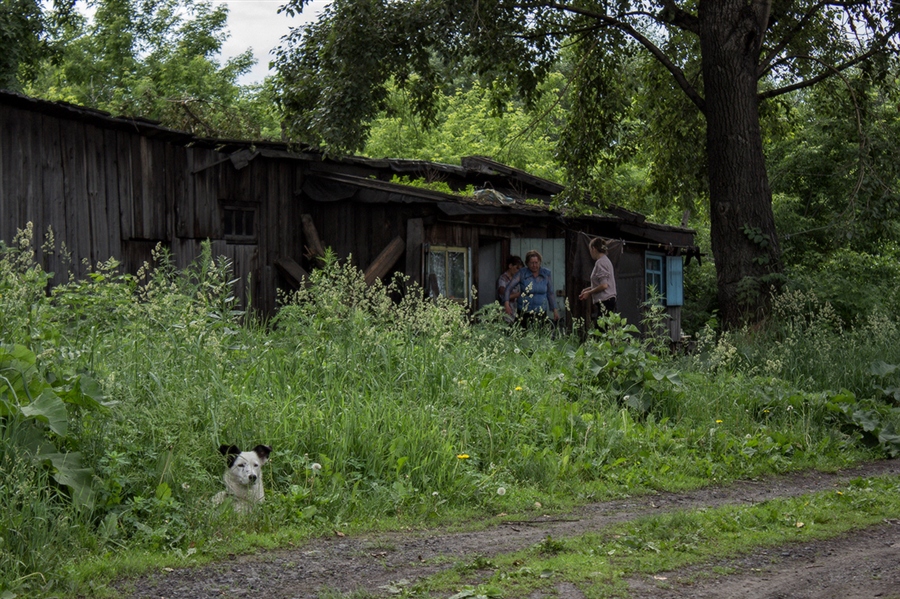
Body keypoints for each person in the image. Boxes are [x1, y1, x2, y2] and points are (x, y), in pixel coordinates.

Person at [503, 249, 559, 327]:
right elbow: (508, 288)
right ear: (527, 263)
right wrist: (506, 304)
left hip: (540, 312)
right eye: (532, 263)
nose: (534, 265)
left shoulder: (546, 274)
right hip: (524, 312)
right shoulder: (522, 273)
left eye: (536, 263)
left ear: (540, 262)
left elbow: (550, 293)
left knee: (539, 336)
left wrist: (555, 311)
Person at [579, 237, 617, 324]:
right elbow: (603, 283)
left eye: (590, 250)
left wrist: (589, 293)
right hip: (608, 300)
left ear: (593, 248)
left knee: (601, 330)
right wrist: (587, 289)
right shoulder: (606, 260)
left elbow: (604, 285)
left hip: (606, 301)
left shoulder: (601, 262)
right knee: (602, 328)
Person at [497, 255, 524, 322]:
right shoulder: (503, 279)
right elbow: (503, 295)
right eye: (517, 268)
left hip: (516, 311)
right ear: (510, 266)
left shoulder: (517, 279)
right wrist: (518, 294)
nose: (518, 271)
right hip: (506, 311)